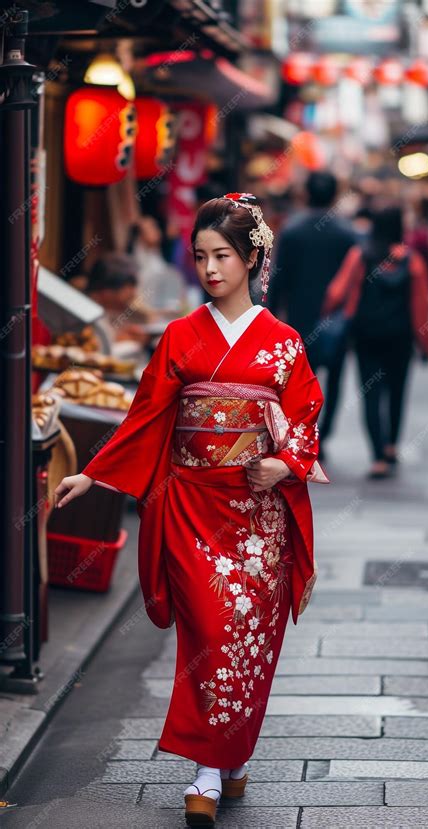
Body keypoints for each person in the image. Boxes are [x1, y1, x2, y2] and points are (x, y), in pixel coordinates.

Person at [54, 193, 330, 827]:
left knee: (249, 638)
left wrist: (285, 465)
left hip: (257, 518)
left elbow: (306, 417)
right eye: (201, 256)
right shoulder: (181, 335)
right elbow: (146, 415)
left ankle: (230, 760)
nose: (210, 268)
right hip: (190, 504)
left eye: (223, 256)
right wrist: (92, 475)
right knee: (207, 630)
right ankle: (209, 766)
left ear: (253, 257)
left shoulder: (283, 343)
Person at [321, 205, 428, 479]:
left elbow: (337, 292)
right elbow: (422, 306)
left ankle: (377, 457)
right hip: (400, 338)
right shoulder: (413, 261)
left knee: (371, 395)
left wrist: (326, 314)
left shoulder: (360, 256)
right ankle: (391, 446)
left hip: (366, 336)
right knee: (398, 392)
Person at [266, 171, 357, 458]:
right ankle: (323, 436)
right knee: (335, 379)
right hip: (337, 321)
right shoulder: (348, 233)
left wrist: (269, 317)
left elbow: (278, 278)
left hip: (299, 320)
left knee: (301, 383)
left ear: (306, 193)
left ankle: (305, 432)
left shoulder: (292, 231)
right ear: (334, 195)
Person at [86, 252, 156, 364]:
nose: (133, 293)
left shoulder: (128, 310)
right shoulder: (85, 316)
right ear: (104, 291)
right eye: (128, 286)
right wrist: (118, 341)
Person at [127, 215, 188, 316]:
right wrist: (155, 313)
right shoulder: (133, 264)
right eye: (150, 228)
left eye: (155, 227)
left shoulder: (159, 257)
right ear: (139, 236)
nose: (156, 231)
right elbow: (133, 299)